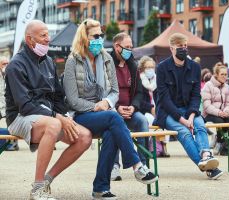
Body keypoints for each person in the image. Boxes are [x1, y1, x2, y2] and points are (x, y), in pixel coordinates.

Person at [63, 19, 158, 199]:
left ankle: (100, 188)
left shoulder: (106, 59)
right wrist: (97, 106)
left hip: (105, 111)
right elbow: (73, 101)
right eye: (95, 36)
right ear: (84, 37)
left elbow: (114, 91)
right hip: (82, 115)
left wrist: (106, 102)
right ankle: (137, 165)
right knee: (115, 119)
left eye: (101, 35)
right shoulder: (72, 62)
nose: (100, 39)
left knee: (111, 133)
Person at [5, 20, 92, 200]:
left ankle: (46, 180)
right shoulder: (15, 65)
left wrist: (65, 116)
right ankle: (37, 188)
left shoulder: (49, 62)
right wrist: (58, 117)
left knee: (84, 137)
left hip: (49, 118)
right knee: (53, 125)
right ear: (30, 40)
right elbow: (26, 105)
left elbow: (58, 97)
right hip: (20, 117)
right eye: (43, 35)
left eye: (47, 34)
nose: (48, 39)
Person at [155, 33, 223, 180]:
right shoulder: (162, 68)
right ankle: (209, 167)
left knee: (200, 126)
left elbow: (195, 95)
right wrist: (183, 120)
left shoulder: (195, 67)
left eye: (185, 46)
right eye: (180, 46)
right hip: (169, 112)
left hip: (189, 110)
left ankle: (205, 154)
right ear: (172, 48)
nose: (184, 49)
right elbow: (164, 100)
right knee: (184, 132)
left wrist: (191, 116)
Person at [110, 32, 148, 181]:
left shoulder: (133, 65)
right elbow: (104, 91)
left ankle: (142, 164)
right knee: (113, 123)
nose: (130, 50)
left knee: (143, 121)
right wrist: (117, 107)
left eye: (131, 47)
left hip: (131, 110)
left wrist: (133, 106)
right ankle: (114, 166)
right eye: (127, 47)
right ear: (116, 46)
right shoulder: (107, 63)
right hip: (113, 110)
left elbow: (139, 92)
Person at [138, 56, 170, 157]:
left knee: (166, 118)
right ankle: (151, 146)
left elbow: (162, 97)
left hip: (157, 108)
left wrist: (160, 108)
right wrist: (151, 108)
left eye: (152, 67)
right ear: (142, 68)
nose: (150, 69)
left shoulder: (158, 80)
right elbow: (139, 101)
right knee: (151, 119)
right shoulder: (139, 80)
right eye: (147, 67)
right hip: (144, 110)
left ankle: (163, 146)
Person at [201, 63, 229, 155]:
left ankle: (226, 146)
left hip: (222, 113)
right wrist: (219, 112)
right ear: (216, 74)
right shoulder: (208, 85)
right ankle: (219, 142)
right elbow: (207, 106)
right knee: (220, 121)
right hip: (208, 114)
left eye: (226, 74)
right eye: (222, 74)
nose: (224, 76)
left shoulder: (227, 86)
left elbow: (228, 103)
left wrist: (226, 111)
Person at [0, 56, 19, 151]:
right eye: (4, 64)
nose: (6, 66)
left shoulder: (13, 74)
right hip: (1, 106)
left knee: (12, 125)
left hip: (10, 106)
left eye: (8, 63)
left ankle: (13, 143)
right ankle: (5, 143)